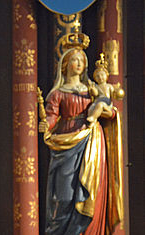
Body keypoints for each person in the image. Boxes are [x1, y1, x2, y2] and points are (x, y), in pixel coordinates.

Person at [39, 47, 124, 235]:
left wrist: (107, 111)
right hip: (66, 143)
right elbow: (52, 116)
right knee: (64, 197)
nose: (79, 64)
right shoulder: (57, 93)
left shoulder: (91, 90)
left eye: (82, 61)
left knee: (91, 193)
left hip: (91, 144)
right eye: (75, 60)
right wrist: (47, 125)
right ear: (65, 66)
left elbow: (109, 111)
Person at [86, 54, 125, 125]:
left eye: (102, 75)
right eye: (97, 76)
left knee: (100, 105)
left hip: (106, 103)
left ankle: (93, 117)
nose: (100, 77)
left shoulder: (109, 86)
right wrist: (92, 89)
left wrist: (117, 93)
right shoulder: (97, 86)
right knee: (90, 109)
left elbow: (113, 94)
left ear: (106, 76)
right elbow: (95, 94)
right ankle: (92, 121)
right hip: (97, 102)